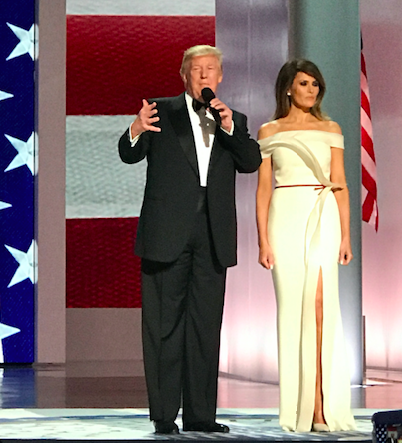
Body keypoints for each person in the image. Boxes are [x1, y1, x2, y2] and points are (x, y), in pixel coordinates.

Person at [118, 45, 261, 435]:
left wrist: (230, 129)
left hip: (212, 235)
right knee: (164, 325)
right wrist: (134, 130)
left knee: (204, 326)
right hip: (167, 233)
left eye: (210, 70)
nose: (203, 76)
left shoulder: (234, 121)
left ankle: (201, 414)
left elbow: (251, 162)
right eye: (196, 70)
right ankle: (164, 415)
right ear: (184, 75)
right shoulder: (161, 111)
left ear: (220, 77)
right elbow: (128, 154)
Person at [256, 59, 356, 433]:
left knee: (320, 305)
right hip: (285, 217)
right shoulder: (269, 131)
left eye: (315, 84)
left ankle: (321, 404)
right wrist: (263, 239)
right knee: (292, 310)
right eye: (303, 83)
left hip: (323, 214)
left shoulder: (331, 129)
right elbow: (264, 188)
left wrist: (345, 236)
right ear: (288, 88)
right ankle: (298, 406)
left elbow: (341, 183)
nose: (311, 90)